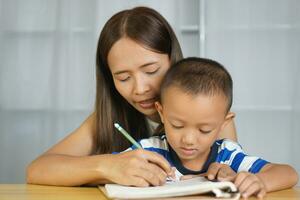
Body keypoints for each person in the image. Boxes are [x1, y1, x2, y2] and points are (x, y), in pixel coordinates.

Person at [26, 6, 237, 187]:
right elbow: (37, 170)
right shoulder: (109, 118)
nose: (140, 88)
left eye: (151, 71)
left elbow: (228, 175)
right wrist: (108, 166)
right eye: (124, 77)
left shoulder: (208, 115)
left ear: (172, 61)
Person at [122, 57, 298, 198]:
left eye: (204, 130)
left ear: (224, 123)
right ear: (161, 112)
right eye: (177, 125)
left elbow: (289, 173)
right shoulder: (149, 150)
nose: (188, 140)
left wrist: (260, 181)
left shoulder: (228, 155)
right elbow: (112, 167)